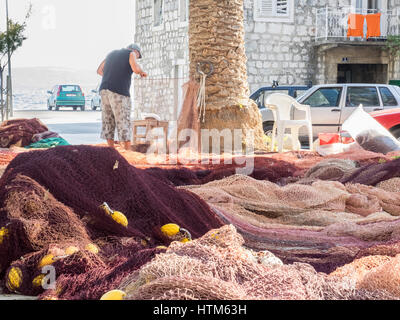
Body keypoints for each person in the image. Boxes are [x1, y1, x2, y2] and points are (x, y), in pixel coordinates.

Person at [97, 44, 147, 150]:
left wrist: (113, 75)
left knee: (108, 120)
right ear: (136, 51)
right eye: (138, 56)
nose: (137, 58)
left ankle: (111, 149)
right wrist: (142, 72)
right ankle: (127, 151)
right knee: (123, 120)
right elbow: (135, 68)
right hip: (119, 92)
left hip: (104, 90)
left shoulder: (111, 53)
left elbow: (100, 71)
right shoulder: (131, 53)